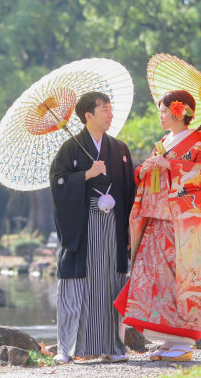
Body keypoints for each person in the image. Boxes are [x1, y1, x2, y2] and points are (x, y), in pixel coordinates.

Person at [114, 90, 201, 362]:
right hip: (156, 220)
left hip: (180, 225)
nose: (160, 115)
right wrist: (147, 168)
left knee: (181, 278)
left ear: (179, 111)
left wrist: (171, 164)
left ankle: (184, 342)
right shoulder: (164, 142)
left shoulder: (199, 147)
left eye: (163, 110)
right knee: (152, 278)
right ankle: (167, 339)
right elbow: (150, 176)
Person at [49, 91, 136, 364]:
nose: (111, 115)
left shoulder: (120, 149)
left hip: (113, 225)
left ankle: (112, 346)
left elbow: (130, 193)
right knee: (77, 287)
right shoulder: (70, 148)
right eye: (105, 110)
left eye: (111, 110)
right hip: (83, 227)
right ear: (89, 115)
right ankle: (68, 349)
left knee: (110, 284)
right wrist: (86, 174)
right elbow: (58, 183)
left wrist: (129, 232)